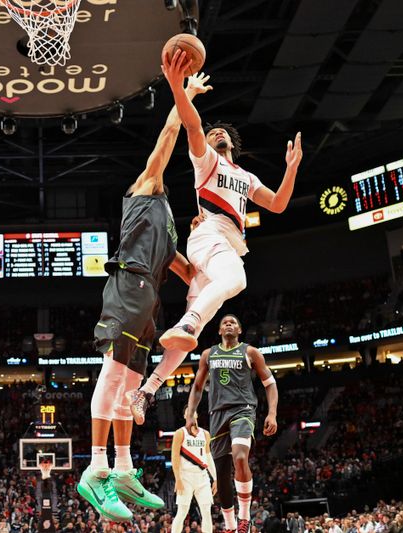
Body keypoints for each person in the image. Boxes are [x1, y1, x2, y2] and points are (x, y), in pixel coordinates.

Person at [76, 56, 212, 523]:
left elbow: (190, 273)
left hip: (148, 300)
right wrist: (184, 96)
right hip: (127, 284)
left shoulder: (171, 228)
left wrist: (207, 235)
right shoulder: (145, 189)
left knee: (131, 385)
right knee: (113, 378)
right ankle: (95, 469)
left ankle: (123, 469)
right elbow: (168, 138)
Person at [134, 48, 301, 401]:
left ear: (232, 144)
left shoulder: (246, 175)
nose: (217, 134)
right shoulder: (206, 161)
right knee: (235, 280)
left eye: (222, 133)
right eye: (213, 134)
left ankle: (147, 391)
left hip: (217, 249)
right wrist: (179, 88)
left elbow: (279, 204)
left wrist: (291, 169)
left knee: (185, 343)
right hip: (208, 238)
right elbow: (192, 124)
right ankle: (188, 322)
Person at [184, 314, 279, 533]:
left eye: (233, 322)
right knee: (222, 474)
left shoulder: (250, 352)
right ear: (219, 331)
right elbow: (197, 388)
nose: (228, 324)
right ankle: (230, 526)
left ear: (239, 330)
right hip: (217, 413)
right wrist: (190, 413)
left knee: (240, 455)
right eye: (224, 322)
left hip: (242, 410)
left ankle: (244, 516)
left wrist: (272, 413)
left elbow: (270, 384)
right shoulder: (208, 355)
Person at [171, 408, 217, 533]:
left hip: (202, 476)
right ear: (184, 415)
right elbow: (174, 457)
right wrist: (177, 479)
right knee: (182, 512)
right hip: (185, 476)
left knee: (207, 512)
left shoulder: (205, 434)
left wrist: (215, 478)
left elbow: (208, 456)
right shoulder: (180, 433)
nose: (191, 413)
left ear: (196, 414)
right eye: (188, 411)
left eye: (193, 410)